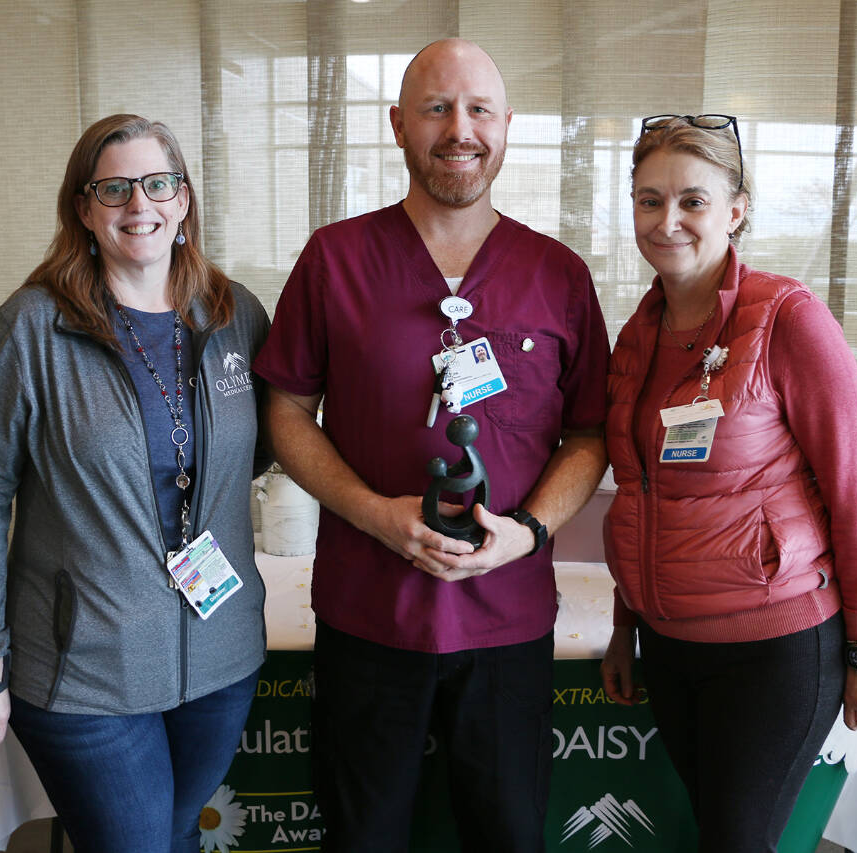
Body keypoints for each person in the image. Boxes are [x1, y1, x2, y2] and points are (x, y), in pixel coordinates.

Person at [253, 38, 609, 853]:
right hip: (369, 615)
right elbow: (286, 413)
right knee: (362, 837)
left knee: (507, 837)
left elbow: (590, 434)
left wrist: (528, 532)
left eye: (479, 109)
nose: (460, 129)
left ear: (507, 124)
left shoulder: (557, 274)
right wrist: (372, 512)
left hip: (508, 621)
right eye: (437, 108)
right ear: (398, 125)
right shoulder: (335, 260)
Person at [0, 114, 270, 853]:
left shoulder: (235, 314)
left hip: (221, 654)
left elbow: (252, 450)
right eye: (114, 188)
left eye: (158, 184)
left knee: (178, 831)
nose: (139, 204)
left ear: (183, 200)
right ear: (84, 209)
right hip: (85, 666)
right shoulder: (30, 328)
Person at [599, 114, 857, 852]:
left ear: (735, 211)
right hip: (670, 646)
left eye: (693, 201)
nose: (667, 221)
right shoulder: (636, 337)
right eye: (649, 200)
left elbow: (853, 493)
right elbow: (640, 493)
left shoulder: (788, 319)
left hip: (775, 646)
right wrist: (626, 625)